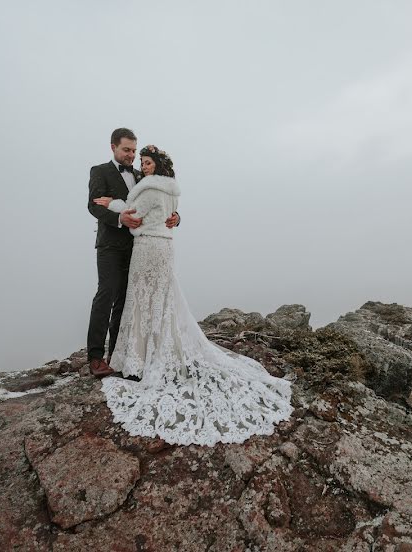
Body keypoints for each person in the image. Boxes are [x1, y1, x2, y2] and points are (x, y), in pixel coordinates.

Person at [94, 146, 293, 446]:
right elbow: (170, 213)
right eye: (139, 160)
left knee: (143, 302)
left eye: (146, 161)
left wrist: (113, 204)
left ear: (156, 166)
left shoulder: (148, 186)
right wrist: (171, 217)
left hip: (148, 248)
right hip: (164, 247)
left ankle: (142, 358)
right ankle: (149, 351)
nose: (141, 165)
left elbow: (135, 212)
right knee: (161, 301)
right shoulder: (171, 188)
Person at [85, 128, 179, 378]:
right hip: (110, 246)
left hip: (139, 248)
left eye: (134, 151)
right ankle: (95, 358)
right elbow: (93, 207)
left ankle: (118, 353)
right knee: (106, 295)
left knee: (127, 302)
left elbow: (157, 205)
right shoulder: (100, 171)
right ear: (113, 147)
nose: (131, 155)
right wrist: (118, 218)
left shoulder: (142, 176)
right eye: (126, 150)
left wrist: (176, 217)